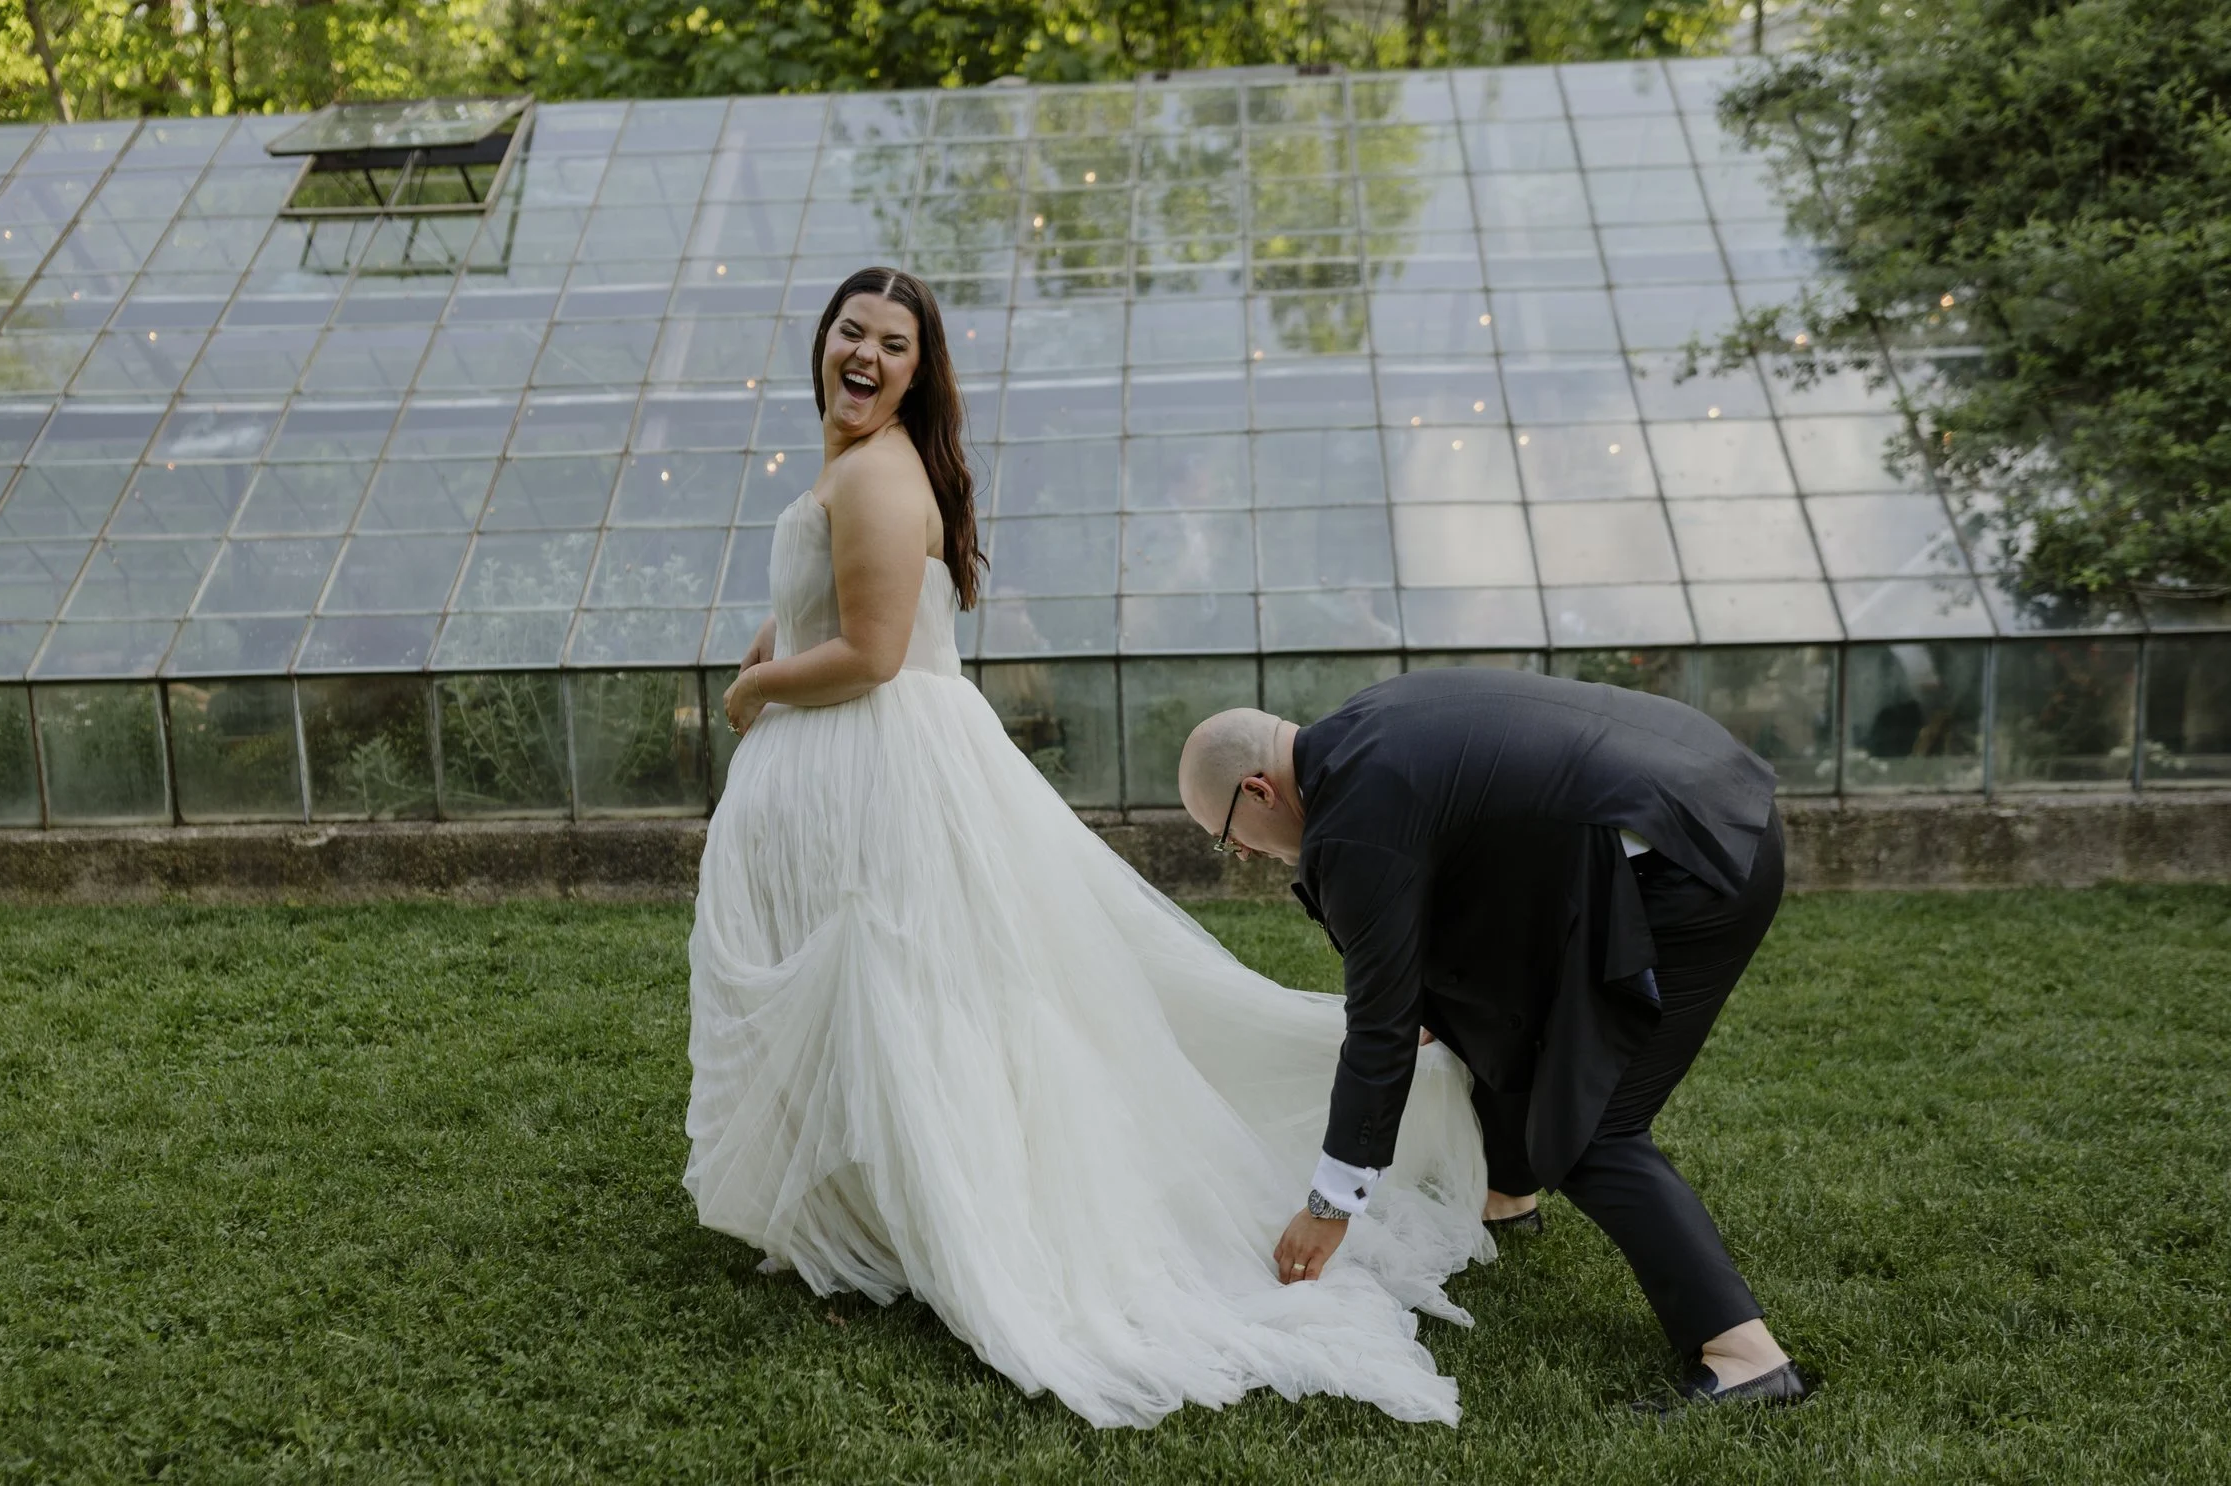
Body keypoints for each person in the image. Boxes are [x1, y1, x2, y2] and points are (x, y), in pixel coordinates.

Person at [683, 266, 1492, 1429]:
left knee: (916, 990)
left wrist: (752, 687)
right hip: (885, 759)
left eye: (893, 344)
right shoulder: (856, 468)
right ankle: (882, 1199)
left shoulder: (871, 472)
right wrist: (777, 632)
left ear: (919, 372)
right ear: (821, 343)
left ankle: (954, 1209)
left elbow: (868, 652)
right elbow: (844, 607)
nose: (865, 354)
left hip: (883, 761)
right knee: (899, 988)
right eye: (850, 332)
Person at [1177, 676, 1813, 1412]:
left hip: (1697, 852)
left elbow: (1379, 1029)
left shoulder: (1354, 821)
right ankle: (1507, 1194)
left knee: (1592, 1127)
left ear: (1258, 790)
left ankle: (1745, 1356)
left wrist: (1331, 1202)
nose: (1244, 855)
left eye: (1228, 838)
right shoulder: (1360, 734)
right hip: (1699, 792)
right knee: (1488, 1007)